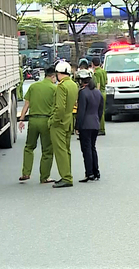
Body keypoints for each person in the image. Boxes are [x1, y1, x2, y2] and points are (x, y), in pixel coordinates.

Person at [18, 67, 57, 183]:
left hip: (33, 121)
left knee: (29, 147)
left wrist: (21, 119)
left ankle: (26, 172)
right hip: (46, 121)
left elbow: (26, 104)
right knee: (47, 150)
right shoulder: (54, 89)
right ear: (53, 76)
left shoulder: (33, 87)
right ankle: (44, 177)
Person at [49, 61, 79, 189]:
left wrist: (52, 121)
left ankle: (66, 177)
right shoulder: (72, 84)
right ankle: (67, 174)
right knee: (66, 151)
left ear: (58, 73)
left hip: (59, 123)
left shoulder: (61, 86)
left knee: (60, 151)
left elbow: (59, 108)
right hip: (69, 121)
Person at [75, 69, 104, 182]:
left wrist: (77, 126)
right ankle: (96, 172)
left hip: (85, 125)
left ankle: (89, 173)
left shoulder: (83, 92)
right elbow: (100, 110)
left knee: (86, 150)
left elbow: (81, 111)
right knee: (93, 148)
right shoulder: (97, 92)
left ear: (82, 81)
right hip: (95, 123)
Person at [92, 57, 108, 136]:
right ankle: (102, 128)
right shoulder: (103, 71)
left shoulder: (96, 73)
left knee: (99, 112)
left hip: (99, 93)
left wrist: (96, 94)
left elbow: (97, 84)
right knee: (103, 111)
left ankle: (101, 129)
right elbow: (106, 82)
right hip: (104, 92)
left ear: (92, 64)